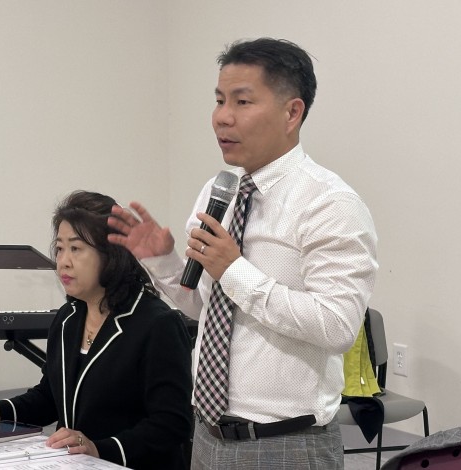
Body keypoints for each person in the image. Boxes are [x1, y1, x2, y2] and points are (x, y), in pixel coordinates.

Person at [107, 38, 378, 469]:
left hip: (287, 444)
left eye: (242, 101)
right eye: (219, 100)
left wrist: (234, 270)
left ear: (292, 112)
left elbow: (337, 326)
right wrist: (163, 262)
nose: (222, 117)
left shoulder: (330, 203)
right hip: (207, 437)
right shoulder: (220, 191)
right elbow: (205, 309)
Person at [0, 190, 194, 470]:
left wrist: (99, 449)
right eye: (60, 249)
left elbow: (172, 425)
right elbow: (50, 397)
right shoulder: (68, 318)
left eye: (75, 249)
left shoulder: (157, 323)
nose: (63, 261)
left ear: (111, 254)